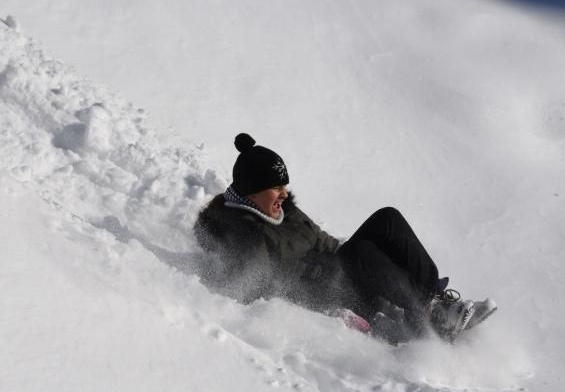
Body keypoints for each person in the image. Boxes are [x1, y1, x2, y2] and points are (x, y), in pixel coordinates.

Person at [194, 133, 495, 344]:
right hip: (329, 296)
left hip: (335, 270)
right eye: (276, 187)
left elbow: (322, 241)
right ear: (251, 190)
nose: (284, 193)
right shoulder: (241, 234)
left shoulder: (282, 210)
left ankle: (434, 298)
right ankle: (427, 323)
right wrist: (330, 310)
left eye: (284, 185)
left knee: (386, 220)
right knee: (360, 253)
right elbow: (253, 290)